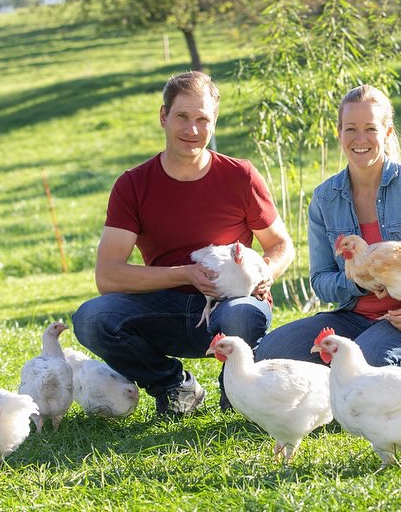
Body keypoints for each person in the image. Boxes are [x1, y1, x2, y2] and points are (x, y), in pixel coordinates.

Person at [72, 71, 294, 416]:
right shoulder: (133, 185)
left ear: (214, 122)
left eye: (203, 119)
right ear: (163, 117)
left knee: (244, 315)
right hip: (163, 306)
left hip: (230, 302)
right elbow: (109, 276)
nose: (192, 130)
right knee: (92, 318)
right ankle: (174, 386)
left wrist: (266, 270)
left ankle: (236, 392)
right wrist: (186, 274)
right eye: (182, 117)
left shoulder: (241, 176)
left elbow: (281, 244)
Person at [255, 85, 401, 395]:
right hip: (354, 318)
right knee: (272, 351)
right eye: (351, 129)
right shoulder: (326, 198)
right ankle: (360, 381)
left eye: (370, 129)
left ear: (387, 132)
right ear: (339, 132)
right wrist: (360, 282)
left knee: (368, 359)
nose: (360, 139)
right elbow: (321, 280)